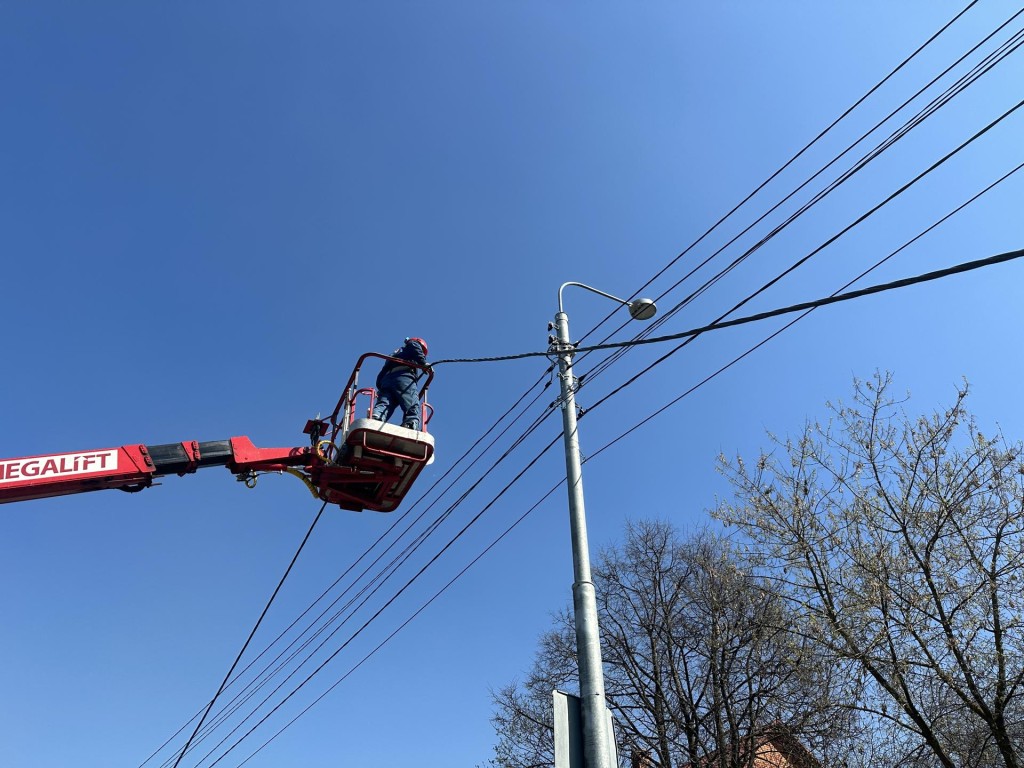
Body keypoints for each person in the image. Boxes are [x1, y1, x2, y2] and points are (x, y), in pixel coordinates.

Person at [370, 337, 429, 430]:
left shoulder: (396, 353)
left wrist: (381, 385)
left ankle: (376, 417)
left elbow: (382, 374)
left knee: (385, 402)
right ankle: (411, 423)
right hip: (403, 377)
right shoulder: (413, 345)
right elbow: (415, 347)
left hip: (386, 381)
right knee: (411, 400)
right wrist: (423, 363)